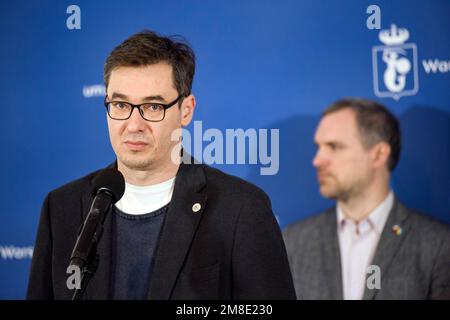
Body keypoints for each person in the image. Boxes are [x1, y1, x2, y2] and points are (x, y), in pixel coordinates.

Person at [27, 30, 295, 300]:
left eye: (153, 107)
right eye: (120, 104)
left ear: (186, 110)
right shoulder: (62, 207)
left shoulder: (241, 209)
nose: (133, 125)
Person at [283, 98, 450, 300]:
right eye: (318, 147)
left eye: (334, 147)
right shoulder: (293, 242)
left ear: (378, 155)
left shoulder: (438, 245)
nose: (317, 160)